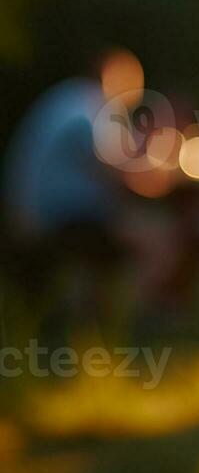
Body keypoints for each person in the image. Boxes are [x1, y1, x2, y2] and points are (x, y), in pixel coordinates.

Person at [3, 49, 135, 329]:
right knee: (147, 237)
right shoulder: (91, 108)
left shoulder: (68, 98)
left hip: (26, 213)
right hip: (50, 219)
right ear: (111, 76)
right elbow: (116, 172)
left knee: (127, 227)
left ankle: (92, 321)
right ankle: (133, 322)